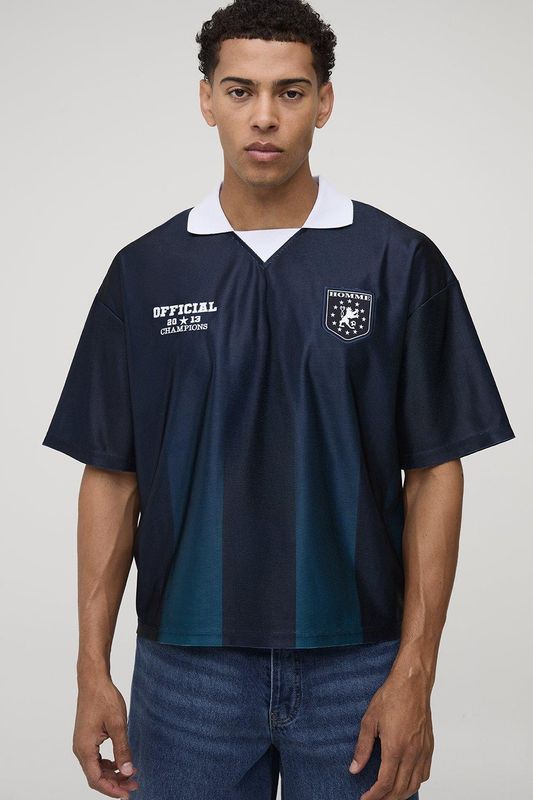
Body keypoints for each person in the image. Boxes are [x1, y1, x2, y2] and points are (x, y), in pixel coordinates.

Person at [41, 1, 516, 798]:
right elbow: (112, 476)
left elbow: (435, 471)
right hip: (185, 669)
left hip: (359, 664)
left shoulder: (399, 262)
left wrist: (414, 672)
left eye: (290, 92)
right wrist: (92, 668)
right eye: (240, 90)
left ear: (323, 102)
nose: (264, 116)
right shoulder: (145, 271)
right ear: (207, 100)